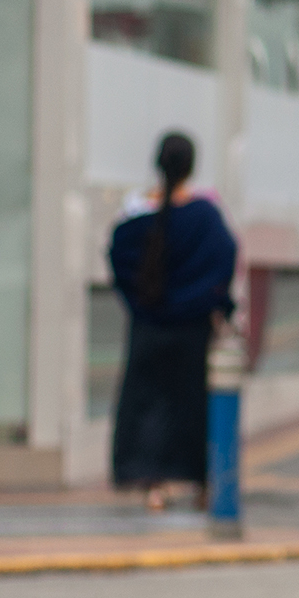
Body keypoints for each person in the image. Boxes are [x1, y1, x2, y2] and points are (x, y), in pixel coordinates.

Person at [108, 132, 237, 510]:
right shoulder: (204, 216)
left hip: (147, 326)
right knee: (193, 405)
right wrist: (216, 305)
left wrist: (138, 304)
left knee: (147, 404)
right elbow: (225, 257)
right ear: (191, 166)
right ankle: (202, 485)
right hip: (192, 328)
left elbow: (118, 259)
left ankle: (153, 486)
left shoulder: (135, 215)